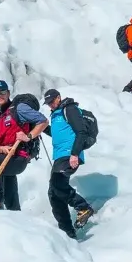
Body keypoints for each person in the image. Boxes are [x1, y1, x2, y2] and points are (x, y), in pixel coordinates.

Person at [0, 80, 49, 210]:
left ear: (8, 93)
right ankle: (15, 215)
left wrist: (28, 136)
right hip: (5, 159)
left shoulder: (18, 109)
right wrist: (1, 148)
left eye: (2, 92)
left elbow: (43, 121)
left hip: (19, 157)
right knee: (10, 195)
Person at [41, 88, 95, 239]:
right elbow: (56, 134)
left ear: (58, 97)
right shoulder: (56, 114)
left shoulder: (69, 109)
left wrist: (75, 154)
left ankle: (83, 207)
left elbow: (81, 132)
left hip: (69, 154)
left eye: (52, 101)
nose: (50, 105)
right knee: (53, 193)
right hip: (59, 157)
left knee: (58, 185)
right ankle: (67, 232)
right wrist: (41, 128)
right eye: (48, 103)